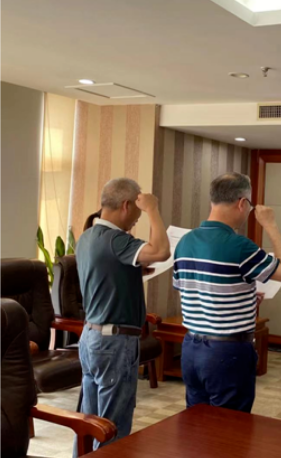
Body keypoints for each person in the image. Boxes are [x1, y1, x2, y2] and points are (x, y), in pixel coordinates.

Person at [173, 172, 281, 413]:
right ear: (242, 203)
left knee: (195, 422)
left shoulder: (185, 241)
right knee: (229, 427)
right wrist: (270, 225)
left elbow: (191, 290)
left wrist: (243, 298)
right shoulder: (240, 246)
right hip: (227, 352)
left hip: (191, 348)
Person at [75, 178, 170, 452]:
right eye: (137, 212)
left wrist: (131, 272)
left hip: (91, 338)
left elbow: (104, 275)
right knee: (112, 427)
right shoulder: (116, 239)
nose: (137, 219)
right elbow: (161, 251)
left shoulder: (87, 237)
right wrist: (152, 209)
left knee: (89, 423)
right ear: (126, 205)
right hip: (114, 342)